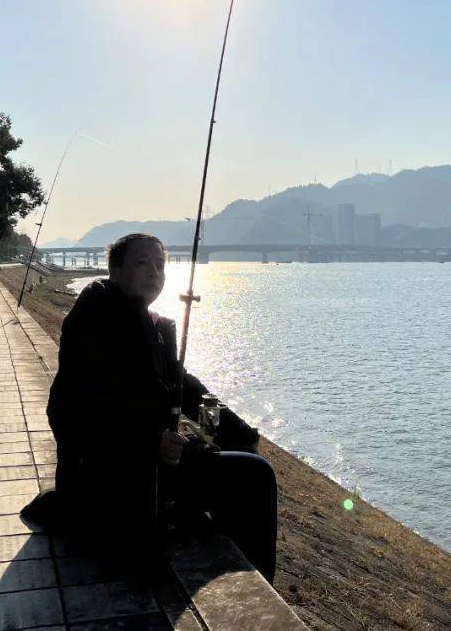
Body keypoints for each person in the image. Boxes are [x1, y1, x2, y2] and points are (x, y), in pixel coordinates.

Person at [40, 233, 277, 581]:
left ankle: (238, 571)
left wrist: (239, 431)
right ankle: (257, 590)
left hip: (152, 467)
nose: (154, 272)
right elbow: (70, 412)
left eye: (160, 264)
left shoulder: (156, 327)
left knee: (242, 455)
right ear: (115, 272)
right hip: (109, 475)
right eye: (141, 263)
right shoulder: (92, 320)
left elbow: (186, 387)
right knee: (256, 478)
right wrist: (149, 441)